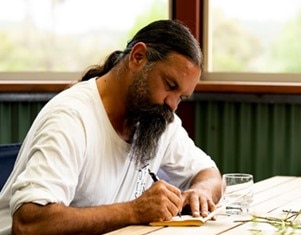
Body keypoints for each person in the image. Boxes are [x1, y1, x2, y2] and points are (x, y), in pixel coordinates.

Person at [0, 19, 223, 235]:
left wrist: (200, 192)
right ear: (138, 57)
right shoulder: (70, 118)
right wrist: (134, 210)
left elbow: (209, 173)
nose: (172, 105)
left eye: (181, 97)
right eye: (169, 85)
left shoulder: (157, 119)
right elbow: (30, 225)